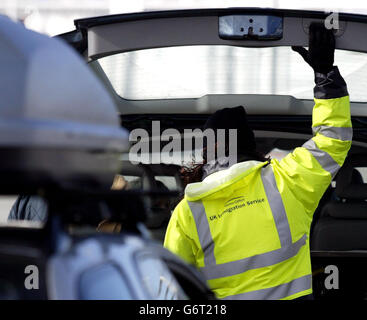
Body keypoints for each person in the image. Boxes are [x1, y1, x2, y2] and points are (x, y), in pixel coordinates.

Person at [163, 23, 352, 300]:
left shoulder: (187, 213)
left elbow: (170, 291)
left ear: (207, 154)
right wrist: (325, 75)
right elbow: (333, 139)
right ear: (249, 146)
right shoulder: (288, 178)